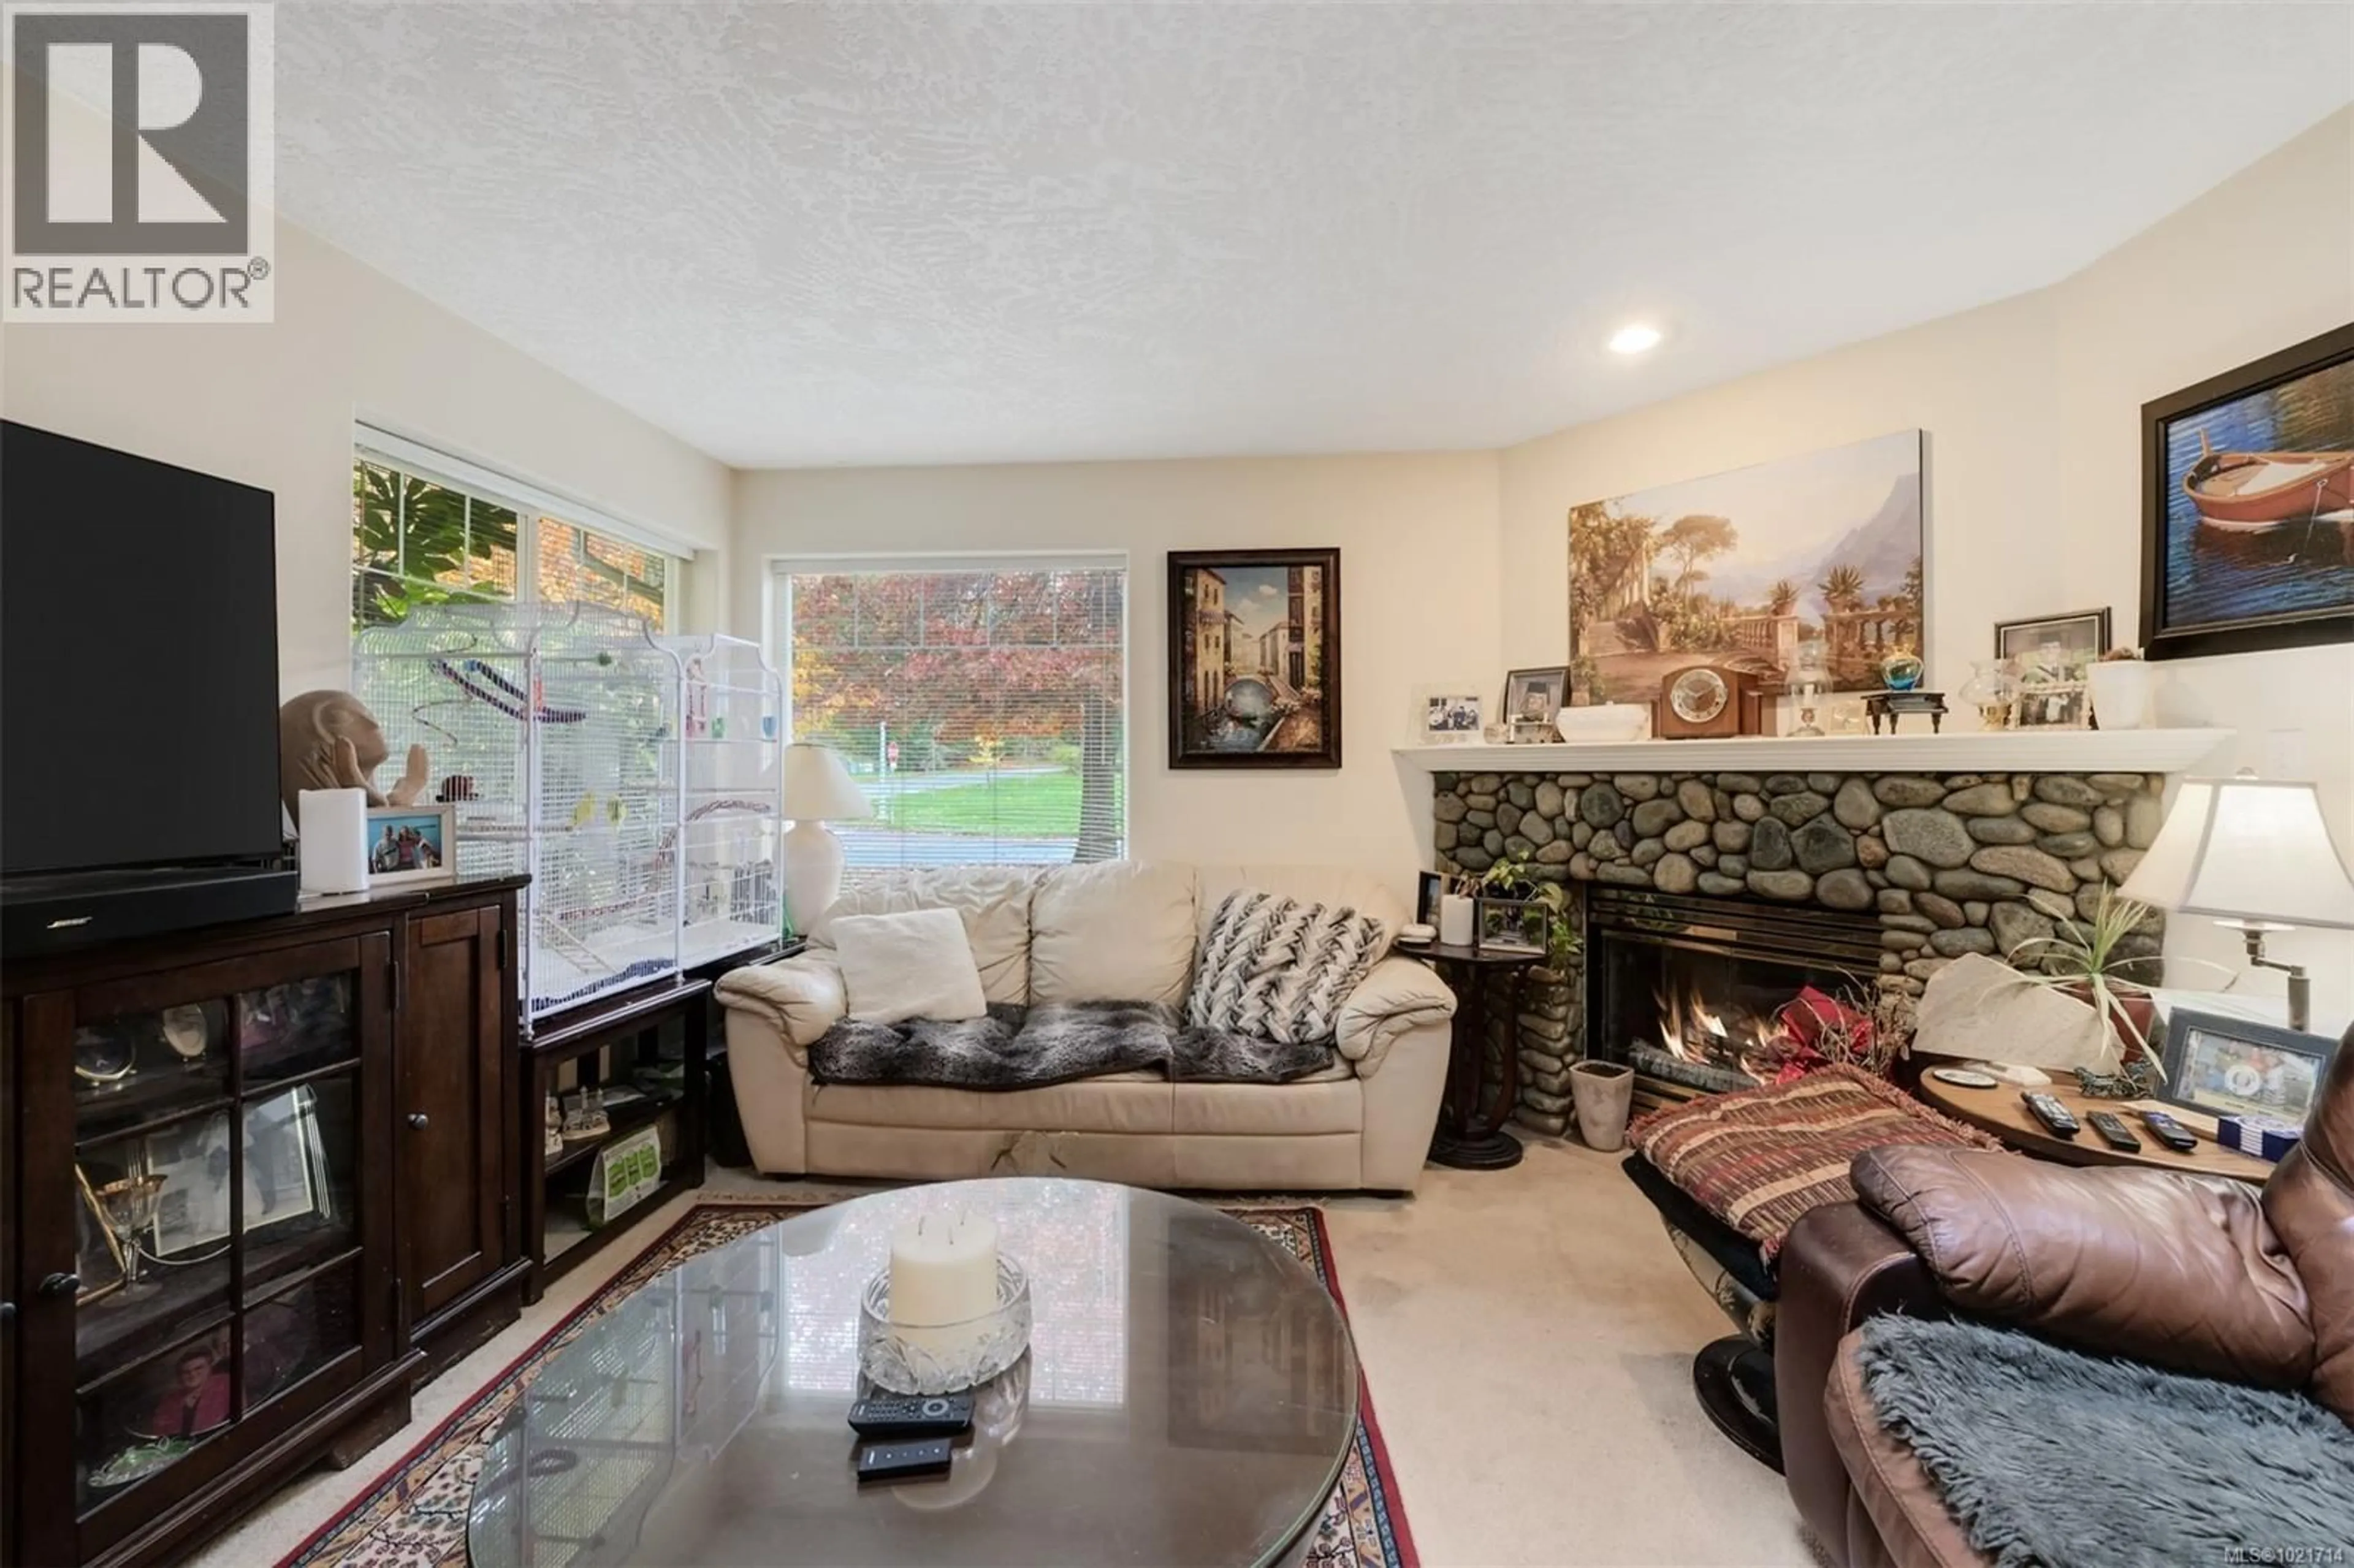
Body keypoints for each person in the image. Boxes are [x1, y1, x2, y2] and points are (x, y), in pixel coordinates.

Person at [148, 1346, 230, 1439]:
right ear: (180, 1376)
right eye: (186, 1372)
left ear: (210, 1367)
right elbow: (160, 1433)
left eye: (199, 1368)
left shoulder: (225, 1383)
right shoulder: (170, 1400)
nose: (193, 1375)